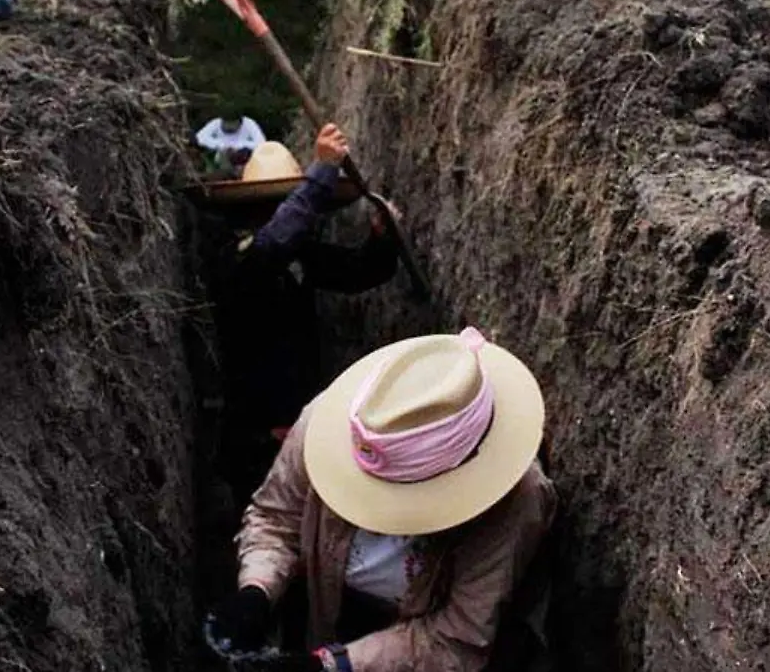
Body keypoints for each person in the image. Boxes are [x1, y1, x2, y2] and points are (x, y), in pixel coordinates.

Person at [203, 327, 558, 672]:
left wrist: (333, 664)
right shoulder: (326, 426)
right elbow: (277, 517)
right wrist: (258, 590)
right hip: (329, 611)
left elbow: (457, 639)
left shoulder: (516, 504)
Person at [198, 124, 400, 507]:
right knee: (264, 525)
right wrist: (322, 172)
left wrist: (381, 237)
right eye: (277, 206)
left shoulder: (298, 255)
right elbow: (272, 246)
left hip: (302, 422)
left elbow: (356, 271)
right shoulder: (236, 257)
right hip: (254, 433)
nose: (288, 216)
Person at [195, 114, 267, 178]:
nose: (228, 126)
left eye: (231, 124)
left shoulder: (249, 123)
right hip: (220, 157)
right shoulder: (215, 123)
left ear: (240, 122)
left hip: (243, 156)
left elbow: (261, 143)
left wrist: (239, 146)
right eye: (226, 123)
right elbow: (199, 138)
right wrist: (221, 145)